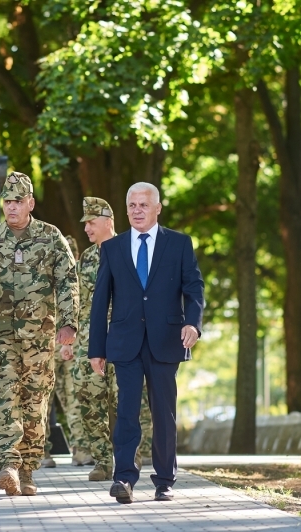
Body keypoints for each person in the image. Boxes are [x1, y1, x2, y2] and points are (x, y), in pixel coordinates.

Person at [88, 182, 204, 504]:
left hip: (166, 340)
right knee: (126, 411)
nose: (137, 211)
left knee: (163, 414)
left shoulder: (179, 244)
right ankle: (124, 478)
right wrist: (96, 349)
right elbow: (101, 301)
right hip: (124, 342)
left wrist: (193, 324)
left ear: (157, 208)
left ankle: (165, 481)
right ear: (126, 210)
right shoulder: (112, 248)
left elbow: (194, 289)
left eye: (143, 205)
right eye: (132, 205)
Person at [0, 172, 79, 496]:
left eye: (18, 201)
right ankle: (8, 464)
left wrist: (68, 323)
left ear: (30, 202)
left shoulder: (51, 237)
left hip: (39, 337)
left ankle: (29, 467)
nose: (12, 207)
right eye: (7, 201)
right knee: (3, 400)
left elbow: (68, 282)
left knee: (34, 404)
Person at [64, 197, 153, 482]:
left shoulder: (133, 250)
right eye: (86, 223)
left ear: (108, 222)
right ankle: (103, 460)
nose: (87, 228)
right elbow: (77, 302)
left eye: (91, 222)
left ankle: (130, 460)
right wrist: (70, 340)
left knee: (127, 403)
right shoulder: (87, 259)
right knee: (88, 400)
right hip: (90, 343)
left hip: (126, 342)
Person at [42, 235, 93, 469]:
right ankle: (41, 452)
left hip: (73, 345)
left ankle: (81, 450)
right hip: (48, 346)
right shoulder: (45, 274)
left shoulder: (83, 276)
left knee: (75, 398)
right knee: (43, 401)